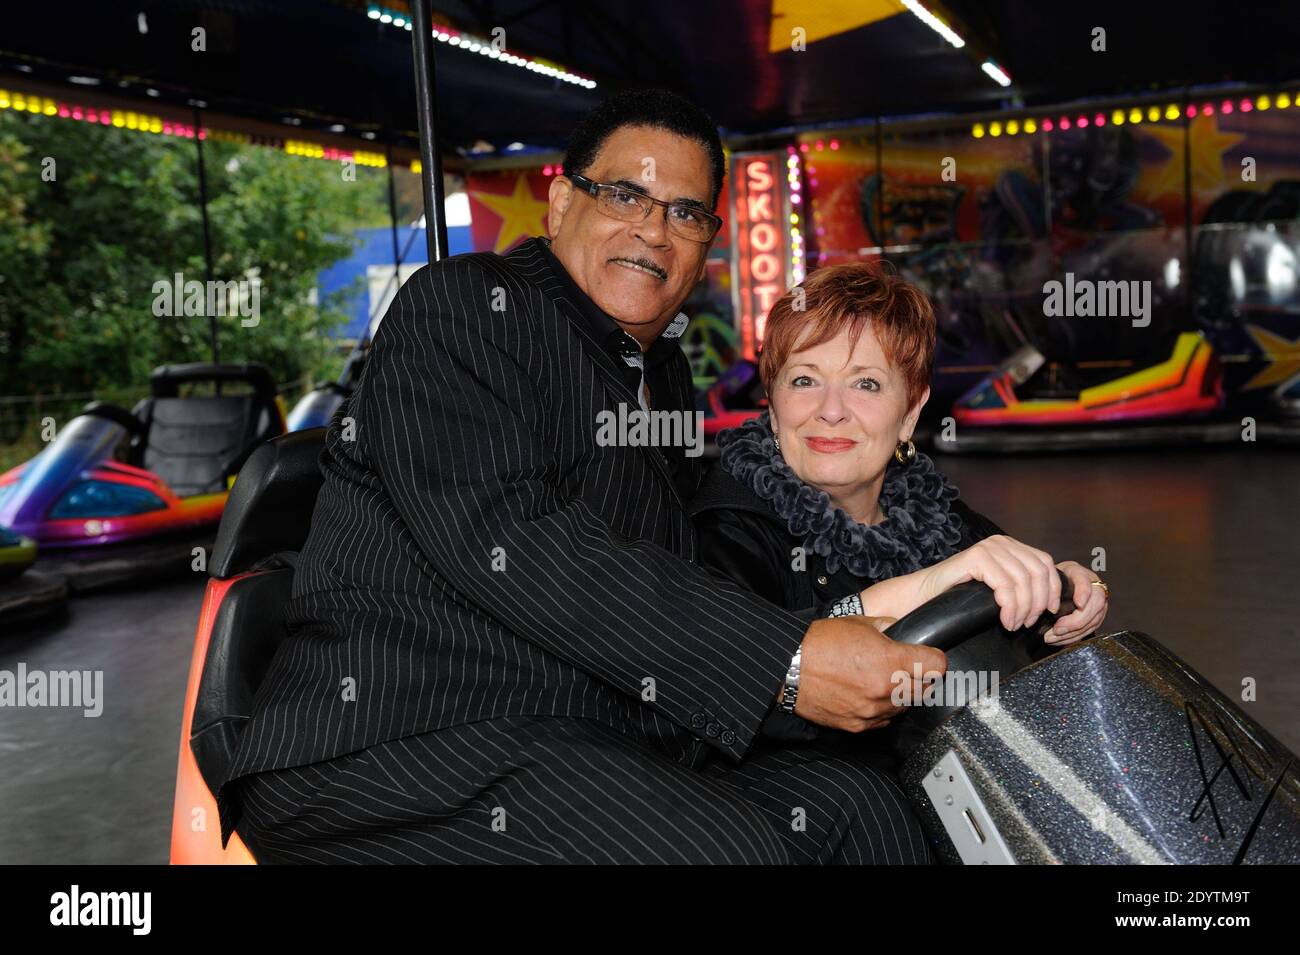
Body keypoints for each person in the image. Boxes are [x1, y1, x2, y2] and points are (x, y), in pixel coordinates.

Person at [216, 89, 949, 865]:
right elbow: (518, 540)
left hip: (584, 731)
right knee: (726, 854)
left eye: (687, 213)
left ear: (707, 245)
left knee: (859, 807)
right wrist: (787, 660)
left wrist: (874, 611)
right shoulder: (464, 310)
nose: (653, 230)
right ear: (562, 202)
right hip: (393, 743)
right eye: (625, 193)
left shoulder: (660, 375)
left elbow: (676, 567)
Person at [689, 262, 1110, 751]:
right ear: (773, 403)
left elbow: (1012, 645)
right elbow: (754, 673)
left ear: (910, 412)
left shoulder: (932, 516)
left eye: (865, 383)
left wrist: (1066, 594)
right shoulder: (724, 528)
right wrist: (931, 584)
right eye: (804, 380)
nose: (831, 409)